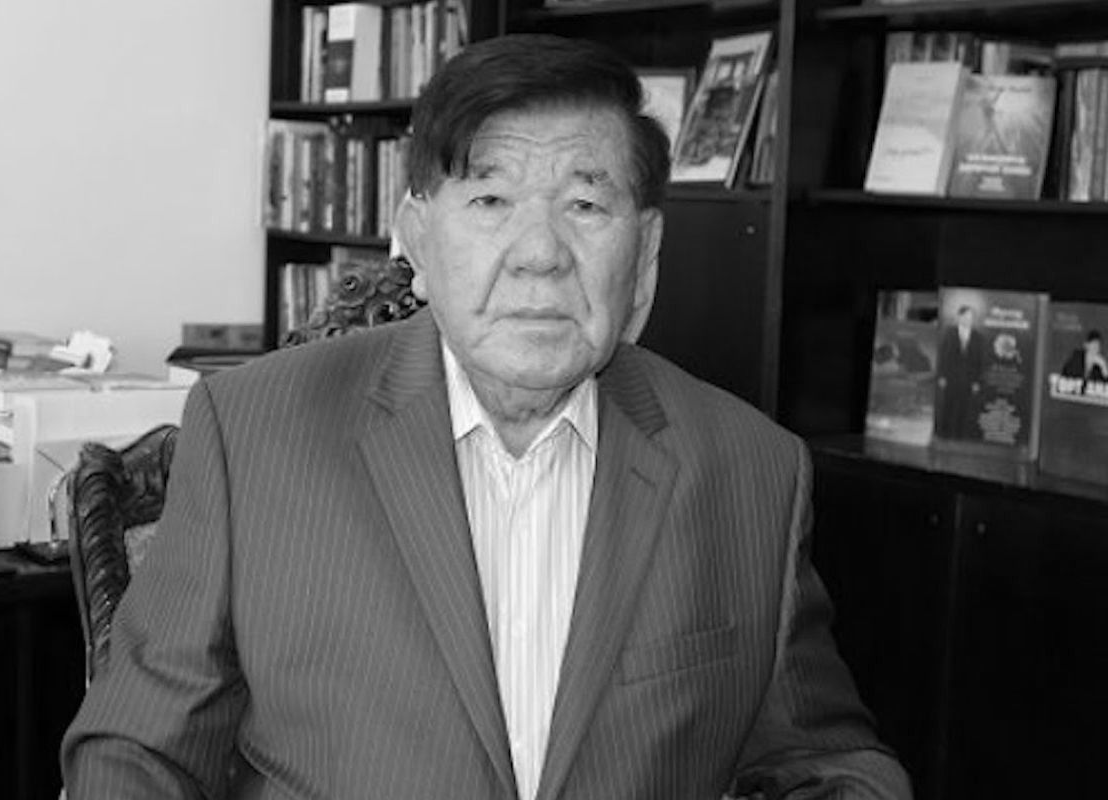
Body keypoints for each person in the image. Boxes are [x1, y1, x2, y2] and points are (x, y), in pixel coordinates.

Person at [62, 34, 911, 800]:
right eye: (491, 200)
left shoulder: (750, 469)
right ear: (417, 241)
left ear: (646, 257)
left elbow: (828, 760)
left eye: (585, 205)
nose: (540, 254)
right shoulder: (253, 430)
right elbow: (137, 751)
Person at [935, 304, 985, 440]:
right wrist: (942, 376)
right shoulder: (949, 333)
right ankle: (944, 435)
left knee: (964, 409)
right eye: (966, 316)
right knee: (948, 407)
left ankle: (959, 436)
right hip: (950, 378)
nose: (968, 319)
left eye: (971, 317)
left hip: (968, 380)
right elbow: (943, 356)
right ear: (959, 317)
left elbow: (979, 362)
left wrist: (977, 382)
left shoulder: (978, 337)